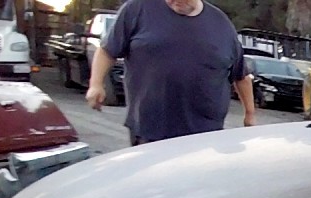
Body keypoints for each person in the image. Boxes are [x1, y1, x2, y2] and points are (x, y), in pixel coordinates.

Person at [86, 0, 256, 145]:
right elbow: (107, 51)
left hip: (205, 136)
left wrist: (249, 114)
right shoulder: (138, 9)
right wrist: (96, 84)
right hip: (150, 131)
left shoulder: (221, 25)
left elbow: (241, 76)